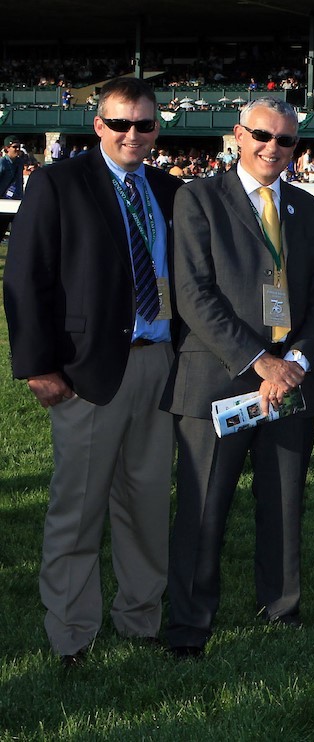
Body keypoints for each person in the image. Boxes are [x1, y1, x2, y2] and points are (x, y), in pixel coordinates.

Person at [3, 77, 182, 666]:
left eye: (145, 124)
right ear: (98, 126)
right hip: (87, 374)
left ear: (157, 128)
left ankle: (140, 619)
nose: (134, 134)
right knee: (77, 510)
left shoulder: (168, 189)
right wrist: (37, 366)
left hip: (158, 366)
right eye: (121, 123)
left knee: (148, 506)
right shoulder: (59, 183)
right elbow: (25, 279)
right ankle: (71, 634)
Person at [163, 97, 314, 658]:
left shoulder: (307, 210)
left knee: (284, 503)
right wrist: (262, 362)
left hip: (291, 382)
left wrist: (296, 364)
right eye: (261, 135)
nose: (271, 148)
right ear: (238, 134)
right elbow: (193, 294)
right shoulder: (198, 198)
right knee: (203, 510)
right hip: (220, 381)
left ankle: (281, 609)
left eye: (285, 141)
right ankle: (190, 626)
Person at [0, 136, 23, 240]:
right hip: (3, 202)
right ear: (7, 148)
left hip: (16, 201)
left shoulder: (20, 162)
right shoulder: (2, 162)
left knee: (18, 234)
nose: (17, 149)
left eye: (19, 146)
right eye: (14, 147)